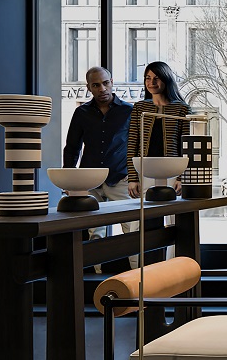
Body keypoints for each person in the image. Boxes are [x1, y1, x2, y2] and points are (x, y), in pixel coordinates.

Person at [62, 66, 136, 268]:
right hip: (90, 181)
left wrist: (136, 177)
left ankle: (140, 278)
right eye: (96, 85)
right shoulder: (81, 113)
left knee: (132, 228)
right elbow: (72, 148)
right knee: (95, 232)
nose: (102, 88)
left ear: (112, 82)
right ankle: (96, 277)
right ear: (89, 88)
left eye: (105, 83)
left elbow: (137, 147)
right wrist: (69, 181)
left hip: (120, 178)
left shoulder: (129, 111)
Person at [127, 61, 191, 198]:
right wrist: (132, 177)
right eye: (148, 78)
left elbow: (186, 146)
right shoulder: (139, 108)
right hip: (145, 170)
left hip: (173, 170)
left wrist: (182, 177)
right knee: (148, 216)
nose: (152, 82)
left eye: (157, 78)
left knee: (172, 216)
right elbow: (132, 144)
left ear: (166, 79)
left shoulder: (182, 109)